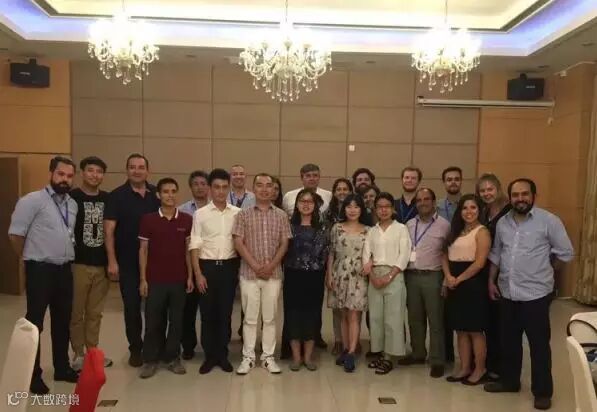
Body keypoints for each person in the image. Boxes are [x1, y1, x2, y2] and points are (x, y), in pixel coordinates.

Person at [484, 179, 573, 411]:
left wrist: (547, 270)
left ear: (534, 195)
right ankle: (510, 382)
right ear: (510, 197)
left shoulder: (549, 221)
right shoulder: (503, 222)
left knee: (539, 345)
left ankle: (542, 392)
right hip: (508, 292)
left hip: (536, 295)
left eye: (525, 194)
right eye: (515, 195)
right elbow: (496, 254)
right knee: (509, 342)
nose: (520, 199)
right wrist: (491, 281)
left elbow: (565, 253)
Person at [8, 156, 80, 394]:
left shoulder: (72, 204)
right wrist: (27, 258)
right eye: (61, 174)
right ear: (51, 173)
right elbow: (15, 234)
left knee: (62, 321)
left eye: (69, 176)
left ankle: (62, 367)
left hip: (64, 269)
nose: (65, 179)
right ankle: (33, 375)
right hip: (40, 269)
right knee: (35, 323)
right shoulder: (32, 201)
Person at [104, 153, 160, 367]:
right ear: (126, 170)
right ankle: (135, 349)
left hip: (155, 262)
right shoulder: (116, 196)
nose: (137, 171)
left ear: (148, 171)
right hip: (127, 262)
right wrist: (112, 260)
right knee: (132, 308)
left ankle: (154, 346)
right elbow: (109, 231)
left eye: (141, 167)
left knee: (155, 308)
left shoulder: (156, 195)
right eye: (132, 167)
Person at [233, 173, 292, 375]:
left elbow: (284, 243)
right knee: (249, 319)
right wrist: (256, 266)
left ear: (274, 190)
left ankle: (268, 357)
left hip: (273, 275)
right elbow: (238, 242)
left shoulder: (281, 215)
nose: (264, 189)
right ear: (254, 188)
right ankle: (248, 358)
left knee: (270, 318)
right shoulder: (243, 214)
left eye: (269, 185)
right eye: (260, 185)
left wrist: (270, 266)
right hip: (249, 274)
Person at [138, 178, 194, 379]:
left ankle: (173, 358)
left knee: (176, 321)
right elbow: (143, 250)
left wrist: (190, 276)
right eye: (165, 191)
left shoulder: (186, 219)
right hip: (155, 280)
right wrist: (143, 279)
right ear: (158, 195)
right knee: (153, 321)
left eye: (173, 191)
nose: (170, 195)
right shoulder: (148, 219)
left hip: (179, 280)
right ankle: (150, 360)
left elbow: (188, 251)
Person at [189, 169, 241, 374]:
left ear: (229, 189)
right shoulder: (200, 214)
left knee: (225, 313)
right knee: (208, 314)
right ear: (210, 189)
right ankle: (209, 356)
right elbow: (195, 244)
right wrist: (198, 274)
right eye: (216, 187)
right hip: (207, 267)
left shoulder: (237, 213)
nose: (220, 191)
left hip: (229, 267)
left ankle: (222, 354)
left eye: (224, 187)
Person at [399, 188, 450, 378]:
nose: (422, 203)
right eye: (419, 200)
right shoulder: (409, 224)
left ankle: (437, 360)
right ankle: (418, 353)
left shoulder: (445, 225)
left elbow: (448, 253)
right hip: (411, 276)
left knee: (435, 320)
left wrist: (446, 279)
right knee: (415, 318)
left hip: (433, 276)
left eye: (426, 199)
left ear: (434, 201)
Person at [69, 156, 113, 372]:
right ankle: (78, 354)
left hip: (101, 264)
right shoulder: (71, 197)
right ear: (82, 173)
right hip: (78, 263)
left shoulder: (108, 199)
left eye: (99, 171)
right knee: (76, 312)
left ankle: (93, 352)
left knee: (95, 313)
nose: (95, 175)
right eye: (90, 170)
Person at [443, 194, 491, 386]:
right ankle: (464, 367)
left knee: (475, 330)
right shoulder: (456, 231)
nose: (468, 211)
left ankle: (480, 369)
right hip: (453, 282)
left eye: (473, 207)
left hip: (473, 283)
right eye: (464, 208)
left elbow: (480, 262)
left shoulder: (482, 232)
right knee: (460, 329)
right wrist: (448, 276)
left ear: (479, 210)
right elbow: (444, 255)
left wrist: (459, 279)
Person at [363, 192, 411, 375]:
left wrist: (389, 276)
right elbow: (366, 255)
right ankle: (381, 353)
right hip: (374, 275)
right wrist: (373, 277)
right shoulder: (372, 231)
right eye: (379, 207)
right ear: (375, 210)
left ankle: (390, 357)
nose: (383, 210)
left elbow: (404, 254)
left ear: (393, 209)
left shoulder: (401, 229)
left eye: (387, 206)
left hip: (394, 275)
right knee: (376, 318)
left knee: (393, 318)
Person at [285, 189, 328, 371]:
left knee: (312, 315)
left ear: (315, 205)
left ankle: (308, 357)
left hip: (314, 277)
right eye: (302, 201)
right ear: (296, 204)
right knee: (293, 315)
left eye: (310, 201)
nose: (306, 204)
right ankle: (296, 357)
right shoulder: (289, 226)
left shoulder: (323, 228)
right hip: (293, 276)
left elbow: (326, 254)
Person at [327, 194, 369, 373]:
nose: (352, 210)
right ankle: (345, 348)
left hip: (358, 275)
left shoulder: (368, 230)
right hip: (339, 272)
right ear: (344, 209)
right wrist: (329, 274)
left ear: (361, 209)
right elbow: (331, 253)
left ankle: (352, 351)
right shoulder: (337, 228)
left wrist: (369, 264)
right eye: (349, 206)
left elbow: (373, 253)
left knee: (354, 314)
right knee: (343, 313)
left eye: (356, 206)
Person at [476, 173, 511, 380]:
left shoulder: (509, 212)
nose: (486, 193)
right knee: (488, 322)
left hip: (503, 273)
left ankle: (501, 369)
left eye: (490, 189)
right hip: (484, 271)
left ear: (498, 188)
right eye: (482, 190)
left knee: (502, 324)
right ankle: (489, 364)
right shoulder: (483, 212)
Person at [179, 170, 210, 360]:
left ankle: (209, 346)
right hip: (187, 266)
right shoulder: (182, 210)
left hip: (210, 263)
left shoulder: (216, 209)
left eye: (203, 184)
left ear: (208, 187)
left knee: (209, 310)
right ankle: (188, 346)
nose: (200, 187)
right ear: (190, 187)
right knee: (188, 310)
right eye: (196, 184)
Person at [324, 178, 354, 355]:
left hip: (354, 264)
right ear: (334, 193)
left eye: (345, 189)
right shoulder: (328, 214)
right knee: (337, 306)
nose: (342, 192)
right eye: (339, 189)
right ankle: (338, 340)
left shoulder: (357, 211)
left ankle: (352, 340)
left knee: (353, 306)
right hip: (333, 262)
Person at [437, 166, 462, 363]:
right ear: (444, 182)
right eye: (449, 179)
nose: (453, 182)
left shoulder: (469, 205)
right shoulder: (436, 207)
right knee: (443, 314)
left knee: (464, 315)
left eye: (456, 179)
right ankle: (446, 355)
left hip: (464, 261)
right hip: (443, 261)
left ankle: (469, 358)